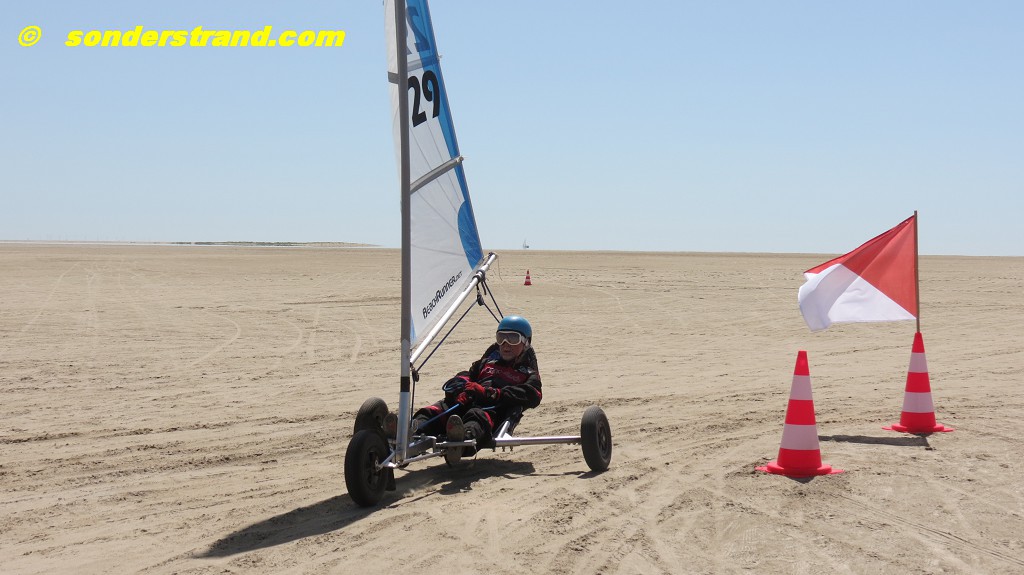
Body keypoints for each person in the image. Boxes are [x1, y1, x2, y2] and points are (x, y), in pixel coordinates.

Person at [411, 315, 542, 457]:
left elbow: (534, 394)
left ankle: (461, 441)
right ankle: (409, 433)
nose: (505, 344)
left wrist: (491, 393)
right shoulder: (488, 362)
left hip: (490, 410)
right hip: (467, 402)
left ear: (526, 342)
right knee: (436, 410)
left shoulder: (528, 372)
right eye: (501, 338)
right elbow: (467, 374)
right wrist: (462, 389)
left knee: (476, 416)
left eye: (513, 338)